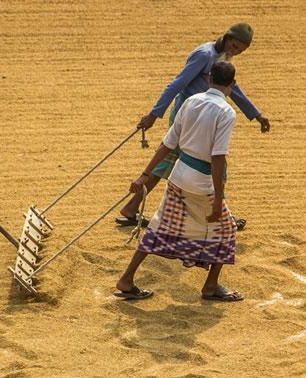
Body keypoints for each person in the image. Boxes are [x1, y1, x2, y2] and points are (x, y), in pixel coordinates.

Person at [115, 23, 269, 230]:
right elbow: (177, 84)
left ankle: (131, 207)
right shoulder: (204, 55)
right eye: (234, 46)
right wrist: (153, 114)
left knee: (167, 162)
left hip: (198, 116)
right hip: (187, 116)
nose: (234, 52)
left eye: (239, 51)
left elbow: (232, 86)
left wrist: (255, 114)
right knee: (212, 164)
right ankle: (223, 216)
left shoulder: (222, 58)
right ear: (227, 37)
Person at [114, 61, 244, 303]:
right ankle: (210, 285)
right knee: (227, 230)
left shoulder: (190, 102)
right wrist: (218, 197)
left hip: (178, 175)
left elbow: (168, 143)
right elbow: (217, 157)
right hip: (202, 182)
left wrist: (145, 174)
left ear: (209, 79)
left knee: (158, 225)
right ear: (232, 85)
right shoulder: (227, 112)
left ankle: (127, 279)